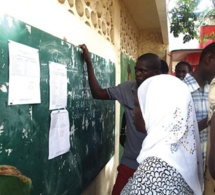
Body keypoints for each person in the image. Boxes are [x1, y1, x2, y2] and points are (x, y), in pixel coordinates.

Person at [79, 44, 161, 195]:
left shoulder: (164, 96)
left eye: (142, 71)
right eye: (136, 69)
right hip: (130, 163)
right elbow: (98, 93)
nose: (137, 73)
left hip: (155, 166)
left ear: (155, 73)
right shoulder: (127, 89)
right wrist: (89, 63)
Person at [120, 75, 203, 195]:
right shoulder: (178, 157)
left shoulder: (155, 171)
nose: (134, 110)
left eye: (139, 105)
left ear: (156, 111)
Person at [183, 42, 215, 194]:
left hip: (208, 173)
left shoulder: (211, 91)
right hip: (188, 175)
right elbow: (177, 132)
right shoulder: (180, 91)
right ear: (208, 59)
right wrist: (211, 119)